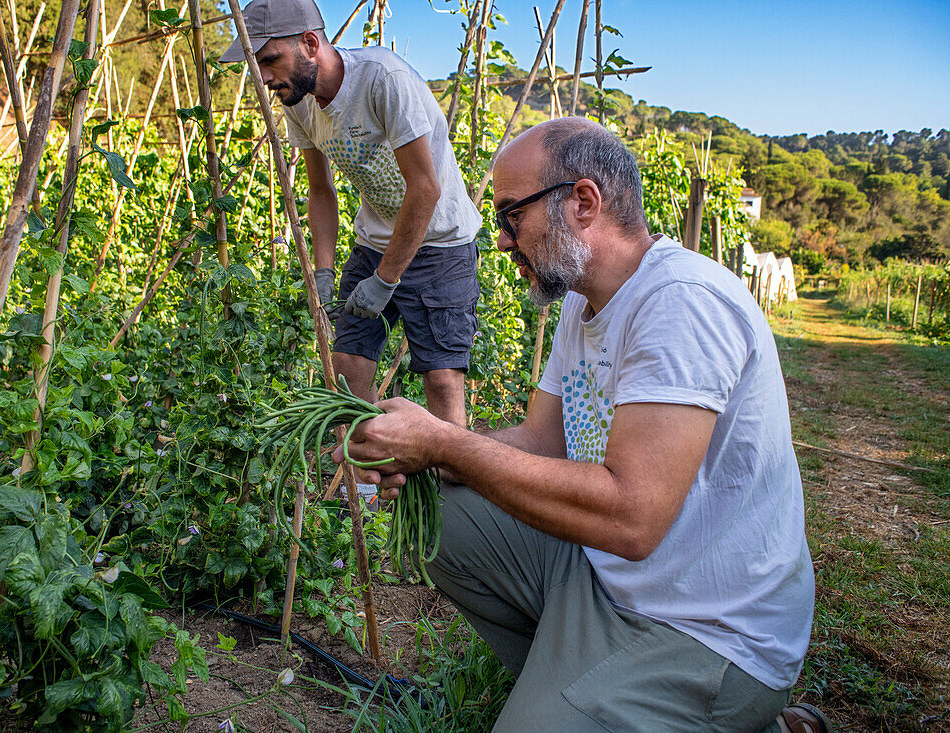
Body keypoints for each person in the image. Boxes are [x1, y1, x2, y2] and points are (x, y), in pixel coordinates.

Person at [339, 118, 829, 733]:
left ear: (583, 201)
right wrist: (427, 455)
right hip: (613, 581)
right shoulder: (585, 300)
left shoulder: (683, 304)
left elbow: (632, 518)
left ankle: (734, 717)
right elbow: (543, 442)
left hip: (711, 631)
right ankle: (583, 692)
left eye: (511, 216)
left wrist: (446, 441)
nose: (502, 241)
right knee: (444, 510)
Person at [221, 0, 482, 428]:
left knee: (442, 377)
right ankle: (364, 490)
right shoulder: (298, 100)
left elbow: (425, 189)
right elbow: (321, 193)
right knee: (347, 369)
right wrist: (323, 271)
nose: (264, 77)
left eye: (271, 60)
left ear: (309, 44)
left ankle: (450, 489)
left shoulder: (383, 80)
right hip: (374, 242)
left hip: (441, 243)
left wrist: (385, 280)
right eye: (258, 64)